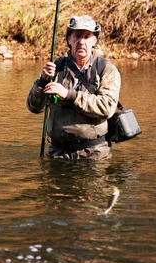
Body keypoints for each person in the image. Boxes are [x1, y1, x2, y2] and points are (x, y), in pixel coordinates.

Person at [27, 15, 121, 161]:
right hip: (58, 154)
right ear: (69, 39)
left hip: (94, 154)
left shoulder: (106, 70)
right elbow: (34, 107)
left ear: (94, 41)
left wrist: (69, 95)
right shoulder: (55, 69)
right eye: (77, 36)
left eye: (86, 36)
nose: (81, 42)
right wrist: (42, 82)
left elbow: (107, 107)